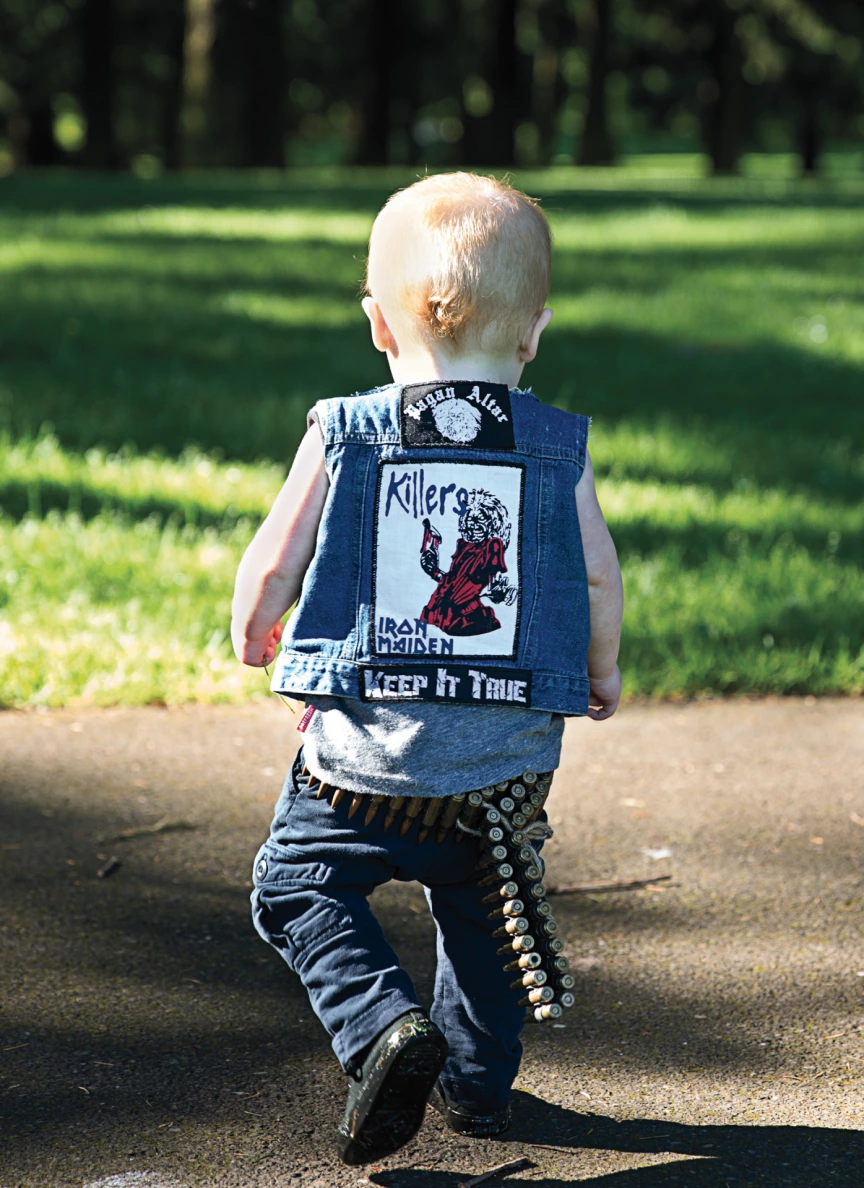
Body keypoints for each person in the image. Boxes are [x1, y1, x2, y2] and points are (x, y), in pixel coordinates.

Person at [230, 172, 623, 1166]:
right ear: (533, 331)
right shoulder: (555, 447)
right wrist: (599, 669)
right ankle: (476, 1088)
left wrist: (256, 623)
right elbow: (594, 572)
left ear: (377, 324)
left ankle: (380, 1029)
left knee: (296, 885)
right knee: (493, 917)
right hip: (502, 770)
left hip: (355, 767)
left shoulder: (344, 429)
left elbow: (276, 555)